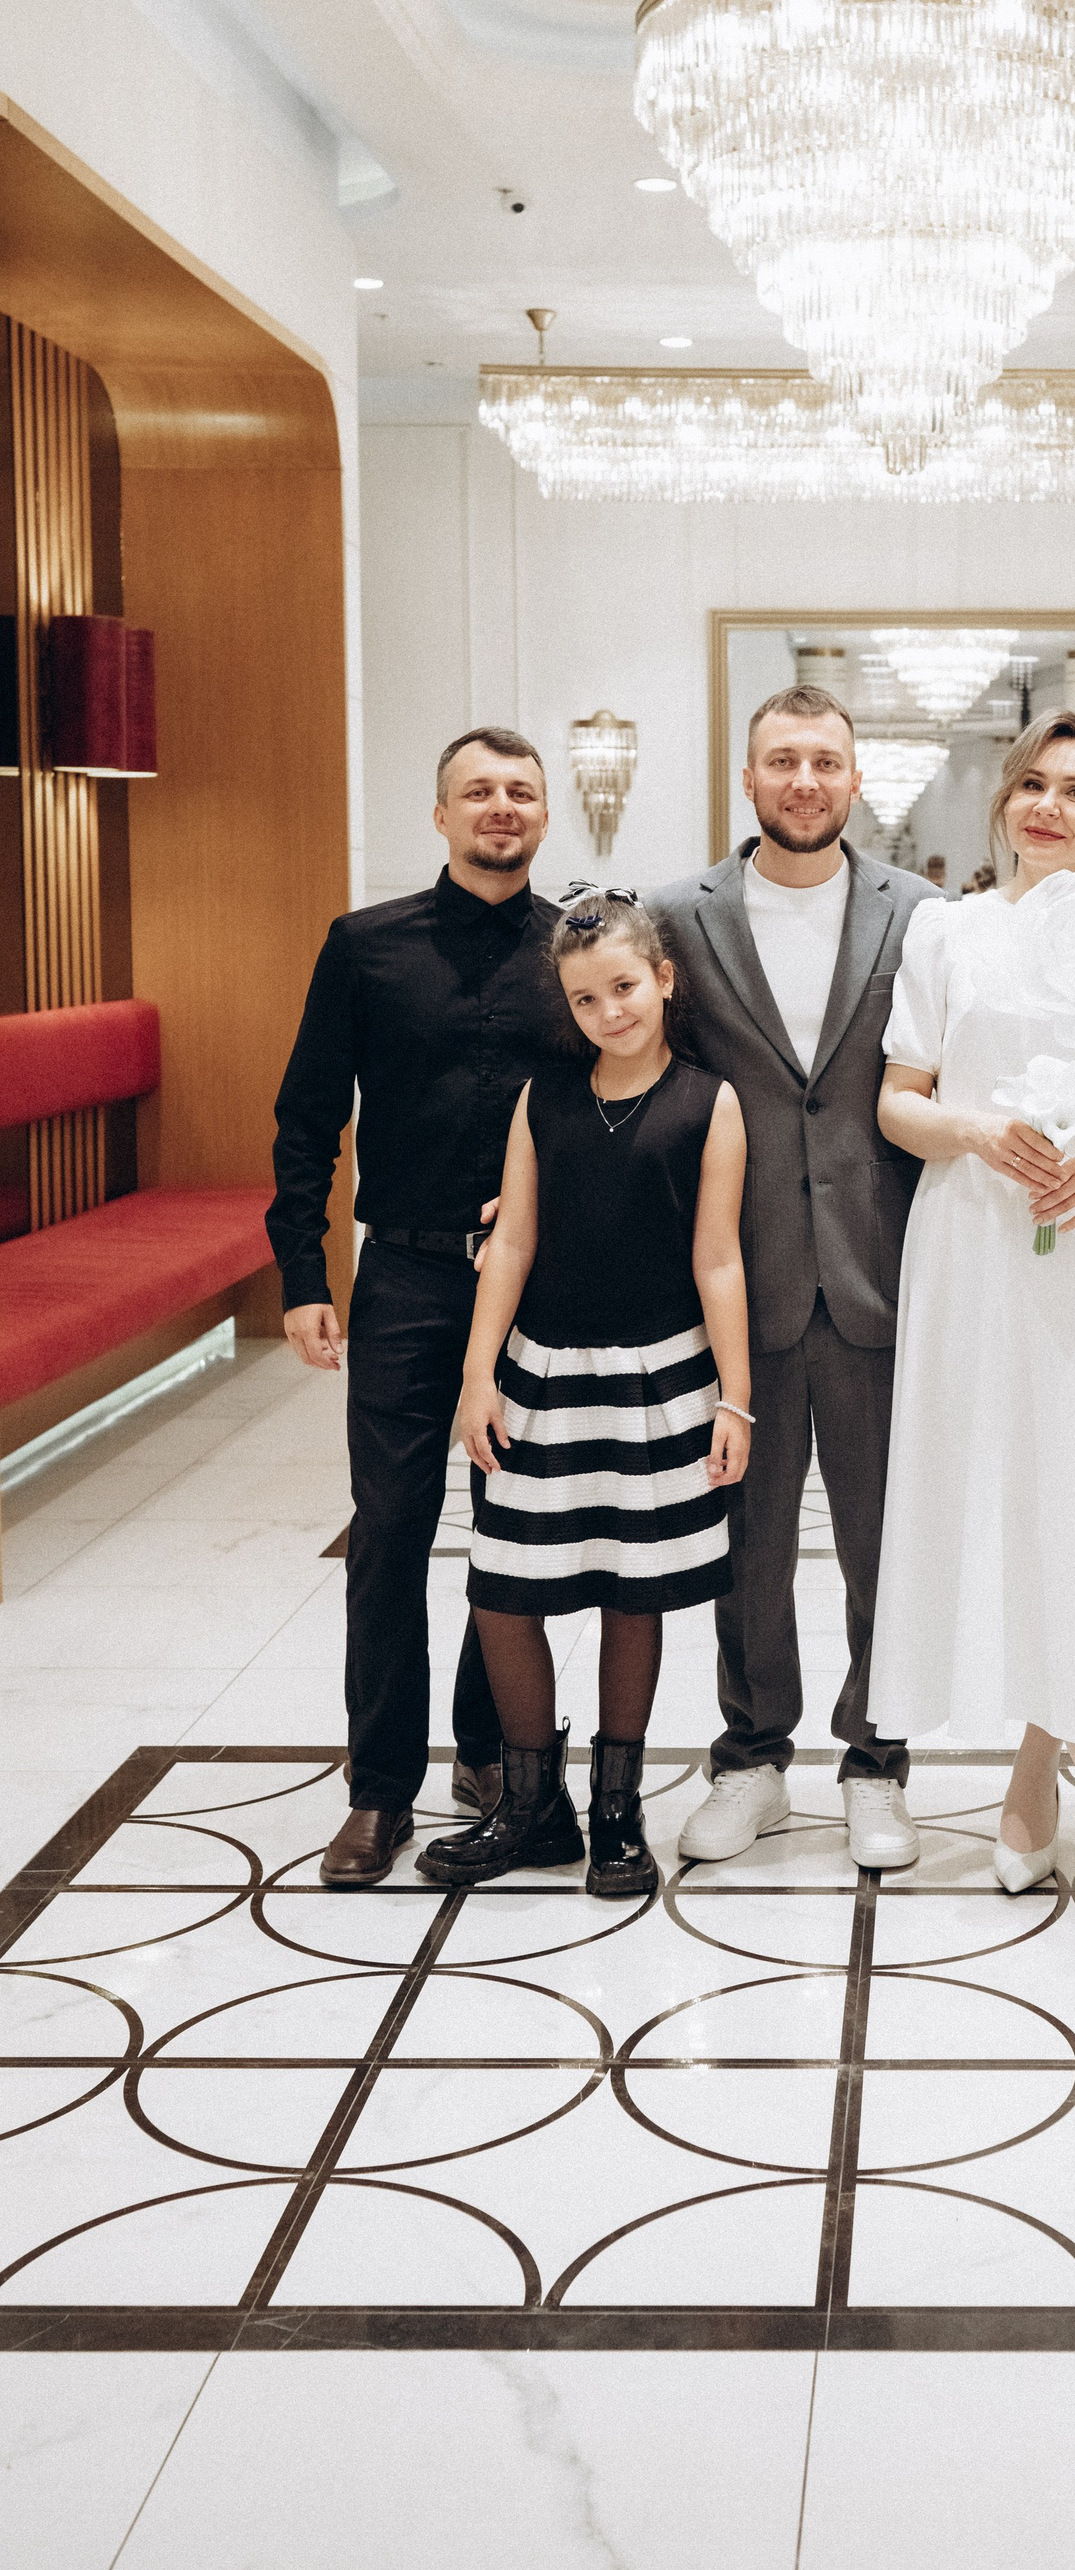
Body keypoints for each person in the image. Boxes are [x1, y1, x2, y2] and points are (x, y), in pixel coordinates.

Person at [869, 710, 1075, 1956]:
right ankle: (1032, 1763)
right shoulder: (946, 930)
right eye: (1031, 783)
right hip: (968, 1241)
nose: (1047, 806)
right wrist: (974, 1130)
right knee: (1004, 1499)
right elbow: (899, 1099)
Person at [648, 686, 939, 1871]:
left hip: (882, 1270)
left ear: (856, 778)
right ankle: (753, 1756)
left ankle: (876, 1762)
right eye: (782, 760)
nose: (804, 781)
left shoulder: (920, 913)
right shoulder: (678, 916)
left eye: (825, 761)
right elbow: (631, 1064)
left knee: (884, 1541)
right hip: (737, 1277)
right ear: (749, 776)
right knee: (746, 1544)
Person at [418, 886, 750, 1896]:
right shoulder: (544, 1098)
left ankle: (616, 1811)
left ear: (664, 979)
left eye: (625, 986)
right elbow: (512, 1241)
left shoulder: (710, 1102)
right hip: (543, 1374)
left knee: (630, 1591)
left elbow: (719, 1259)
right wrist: (478, 1375)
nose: (610, 1010)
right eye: (586, 998)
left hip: (659, 1379)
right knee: (501, 1588)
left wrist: (735, 1398)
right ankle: (533, 1807)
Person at [269, 728, 556, 1887]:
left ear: (545, 815)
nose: (501, 806)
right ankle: (380, 1787)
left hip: (536, 1287)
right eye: (478, 790)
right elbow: (306, 1116)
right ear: (440, 814)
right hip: (405, 1277)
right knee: (388, 1534)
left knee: (514, 1531)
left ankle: (488, 1751)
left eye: (520, 790)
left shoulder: (576, 952)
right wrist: (302, 1273)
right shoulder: (364, 945)